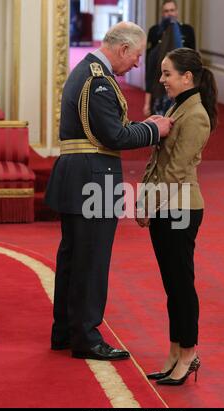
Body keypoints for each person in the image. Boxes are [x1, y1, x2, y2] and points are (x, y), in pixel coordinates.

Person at [45, 22, 173, 361]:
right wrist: (153, 130)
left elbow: (106, 128)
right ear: (122, 49)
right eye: (136, 56)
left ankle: (66, 331)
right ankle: (86, 336)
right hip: (93, 177)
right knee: (91, 260)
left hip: (80, 173)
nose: (136, 64)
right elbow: (113, 137)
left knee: (74, 258)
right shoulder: (97, 80)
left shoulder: (88, 71)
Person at [137, 48, 218, 385]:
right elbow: (157, 164)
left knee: (182, 286)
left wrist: (146, 204)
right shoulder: (178, 106)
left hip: (181, 207)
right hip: (167, 205)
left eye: (167, 73)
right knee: (173, 286)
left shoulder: (195, 114)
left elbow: (175, 170)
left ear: (187, 77)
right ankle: (174, 352)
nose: (161, 79)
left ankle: (188, 354)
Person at [143, 0, 196, 117]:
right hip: (159, 86)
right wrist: (147, 101)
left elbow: (193, 63)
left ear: (177, 12)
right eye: (166, 11)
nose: (170, 13)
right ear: (162, 13)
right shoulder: (154, 31)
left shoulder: (187, 30)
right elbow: (149, 67)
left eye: (172, 10)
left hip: (182, 85)